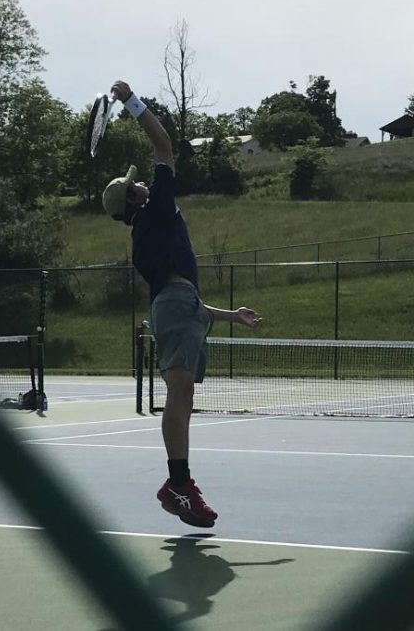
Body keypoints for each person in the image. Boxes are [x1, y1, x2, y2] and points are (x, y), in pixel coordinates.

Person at [103, 80, 261, 529]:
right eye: (136, 186)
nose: (143, 185)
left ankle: (179, 483)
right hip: (175, 307)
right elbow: (164, 143)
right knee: (180, 394)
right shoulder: (154, 211)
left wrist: (230, 315)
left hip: (182, 306)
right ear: (132, 201)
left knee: (184, 395)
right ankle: (178, 484)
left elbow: (181, 297)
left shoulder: (151, 228)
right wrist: (131, 100)